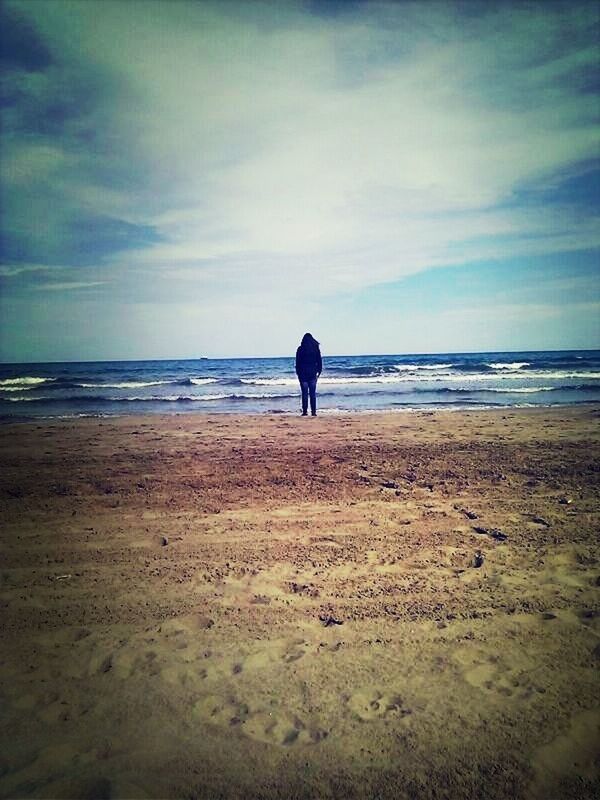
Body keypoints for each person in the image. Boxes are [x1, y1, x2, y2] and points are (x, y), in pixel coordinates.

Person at [295, 333, 322, 416]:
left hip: (303, 374)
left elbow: (297, 362)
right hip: (313, 373)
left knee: (304, 393)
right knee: (312, 393)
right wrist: (319, 372)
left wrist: (298, 372)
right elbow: (319, 361)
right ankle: (313, 412)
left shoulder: (300, 349)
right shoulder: (315, 349)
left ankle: (305, 411)